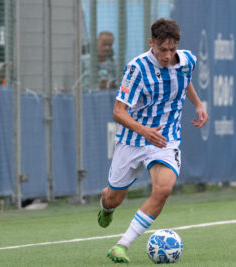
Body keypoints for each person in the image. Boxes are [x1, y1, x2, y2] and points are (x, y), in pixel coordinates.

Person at [97, 18, 209, 263]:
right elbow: (118, 111)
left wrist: (198, 104)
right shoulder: (136, 68)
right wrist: (144, 131)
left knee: (164, 188)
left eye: (172, 49)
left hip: (166, 139)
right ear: (151, 43)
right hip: (132, 139)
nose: (168, 55)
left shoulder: (187, 60)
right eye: (162, 49)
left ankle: (121, 245)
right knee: (113, 197)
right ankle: (106, 207)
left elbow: (185, 80)